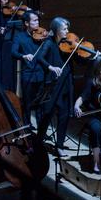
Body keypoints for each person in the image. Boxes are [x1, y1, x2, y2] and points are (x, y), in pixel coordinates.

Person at [37, 17, 75, 150]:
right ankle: (38, 142)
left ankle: (59, 145)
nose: (67, 31)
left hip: (65, 83)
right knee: (47, 115)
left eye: (67, 29)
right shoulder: (49, 43)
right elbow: (39, 58)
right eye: (64, 29)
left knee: (64, 116)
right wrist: (51, 67)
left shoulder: (67, 45)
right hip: (53, 85)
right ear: (57, 30)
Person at [11, 10, 46, 127]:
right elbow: (13, 52)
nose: (38, 22)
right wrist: (23, 56)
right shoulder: (19, 37)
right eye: (35, 20)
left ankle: (41, 131)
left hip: (41, 74)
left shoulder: (42, 35)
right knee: (27, 104)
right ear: (26, 23)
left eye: (38, 20)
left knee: (41, 105)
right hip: (28, 75)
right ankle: (27, 128)